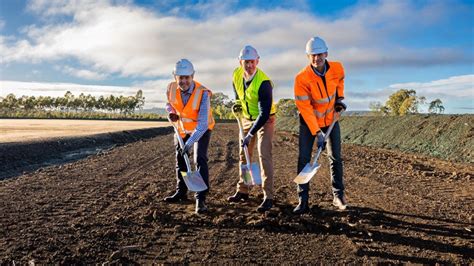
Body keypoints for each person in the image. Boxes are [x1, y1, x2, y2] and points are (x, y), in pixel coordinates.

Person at [293, 37, 347, 214]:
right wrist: (318, 133)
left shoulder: (337, 68)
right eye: (312, 55)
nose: (316, 59)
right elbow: (305, 108)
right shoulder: (301, 78)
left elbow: (339, 82)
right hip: (309, 123)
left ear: (326, 53)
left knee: (335, 157)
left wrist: (339, 99)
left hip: (331, 120)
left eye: (319, 54)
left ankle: (338, 196)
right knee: (304, 159)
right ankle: (303, 200)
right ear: (308, 56)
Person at [227, 45, 277, 212]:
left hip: (265, 120)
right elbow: (237, 94)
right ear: (240, 62)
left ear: (258, 61)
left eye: (252, 62)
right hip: (246, 118)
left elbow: (263, 114)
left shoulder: (264, 83)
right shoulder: (236, 74)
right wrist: (237, 104)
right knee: (244, 155)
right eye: (246, 62)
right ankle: (244, 189)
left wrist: (250, 134)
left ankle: (268, 196)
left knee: (264, 155)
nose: (249, 65)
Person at [164, 59, 215, 214]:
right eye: (181, 77)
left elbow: (202, 125)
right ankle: (181, 191)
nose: (184, 81)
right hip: (181, 129)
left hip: (201, 130)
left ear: (192, 76)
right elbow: (169, 104)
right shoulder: (171, 88)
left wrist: (189, 143)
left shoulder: (203, 93)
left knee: (199, 159)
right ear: (175, 76)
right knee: (180, 160)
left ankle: (201, 198)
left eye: (187, 77)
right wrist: (171, 112)